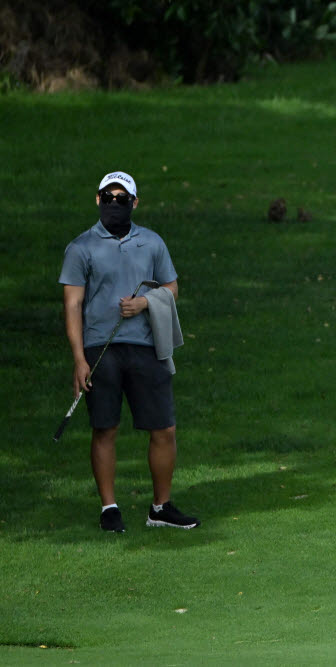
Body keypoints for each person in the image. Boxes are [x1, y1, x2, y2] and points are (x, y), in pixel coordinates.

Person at [59, 171, 200, 532]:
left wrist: (143, 303)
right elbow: (72, 305)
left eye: (122, 199)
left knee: (164, 429)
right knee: (104, 428)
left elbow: (171, 287)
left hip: (147, 347)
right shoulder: (81, 248)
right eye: (109, 198)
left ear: (135, 203)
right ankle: (110, 508)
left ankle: (160, 507)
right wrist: (78, 358)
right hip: (99, 350)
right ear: (98, 200)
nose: (115, 204)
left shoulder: (152, 243)